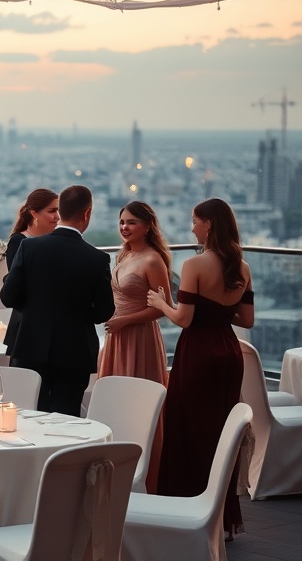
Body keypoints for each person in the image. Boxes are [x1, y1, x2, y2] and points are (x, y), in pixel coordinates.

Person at [146, 198, 253, 539]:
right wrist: (220, 308)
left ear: (208, 224)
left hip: (199, 354)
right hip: (228, 352)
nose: (191, 227)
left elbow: (184, 319)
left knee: (187, 427)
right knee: (222, 432)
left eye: (195, 221)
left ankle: (187, 507)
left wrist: (162, 302)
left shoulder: (194, 265)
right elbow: (246, 319)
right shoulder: (243, 267)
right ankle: (221, 517)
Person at [0, 185, 114, 416]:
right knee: (67, 417)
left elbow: (8, 297)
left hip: (31, 343)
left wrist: (36, 308)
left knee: (30, 415)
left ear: (60, 211)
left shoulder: (29, 247)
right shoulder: (97, 258)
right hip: (75, 349)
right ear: (87, 213)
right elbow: (104, 312)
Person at [98, 200, 172, 492]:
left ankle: (145, 478)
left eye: (131, 222)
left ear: (147, 226)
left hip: (139, 338)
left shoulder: (153, 260)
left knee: (138, 406)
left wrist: (125, 322)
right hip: (117, 336)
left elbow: (162, 308)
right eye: (122, 222)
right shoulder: (123, 254)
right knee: (114, 402)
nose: (125, 227)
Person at [2, 189, 59, 357]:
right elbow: (18, 284)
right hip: (28, 322)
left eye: (58, 210)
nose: (57, 216)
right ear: (34, 213)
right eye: (51, 211)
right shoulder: (19, 241)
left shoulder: (55, 240)